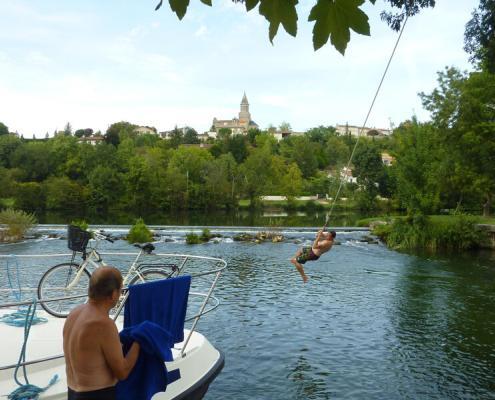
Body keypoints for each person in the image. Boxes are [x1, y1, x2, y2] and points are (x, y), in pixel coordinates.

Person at [63, 266, 140, 400]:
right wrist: (141, 340)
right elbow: (122, 372)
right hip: (95, 395)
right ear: (113, 294)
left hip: (73, 392)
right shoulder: (103, 324)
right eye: (120, 290)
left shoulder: (74, 314)